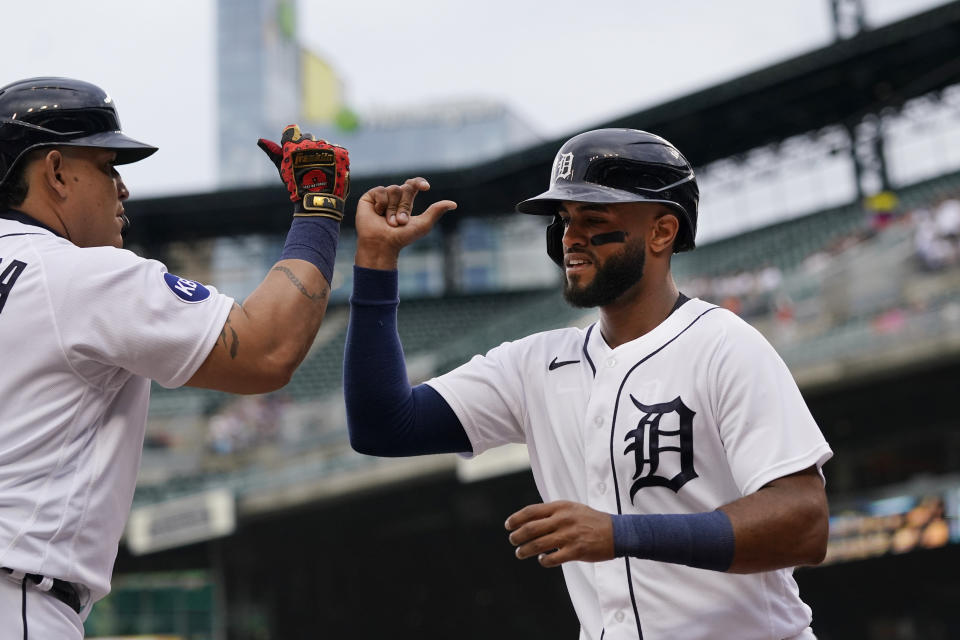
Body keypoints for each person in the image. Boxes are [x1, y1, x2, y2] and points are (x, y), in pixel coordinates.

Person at [344, 129, 833, 640]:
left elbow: (803, 522)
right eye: (564, 221)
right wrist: (377, 261)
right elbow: (382, 426)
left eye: (593, 219)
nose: (570, 237)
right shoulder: (534, 364)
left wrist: (620, 533)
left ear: (662, 232)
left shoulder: (724, 345)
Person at [0, 77, 349, 638]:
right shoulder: (75, 274)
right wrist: (318, 209)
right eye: (108, 166)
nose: (123, 188)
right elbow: (267, 350)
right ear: (57, 171)